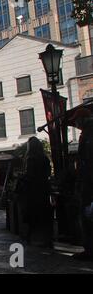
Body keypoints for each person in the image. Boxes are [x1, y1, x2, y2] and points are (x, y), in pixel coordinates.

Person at [22, 136, 53, 248]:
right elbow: (48, 173)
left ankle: (31, 238)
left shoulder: (31, 159)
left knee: (33, 215)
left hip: (33, 191)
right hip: (44, 189)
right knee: (44, 214)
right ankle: (47, 239)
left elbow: (29, 175)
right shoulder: (44, 158)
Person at [71, 108, 93, 261]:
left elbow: (88, 160)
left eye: (77, 120)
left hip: (89, 183)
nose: (76, 124)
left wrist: (83, 178)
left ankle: (90, 249)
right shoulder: (86, 133)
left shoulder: (89, 134)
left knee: (87, 216)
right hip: (86, 180)